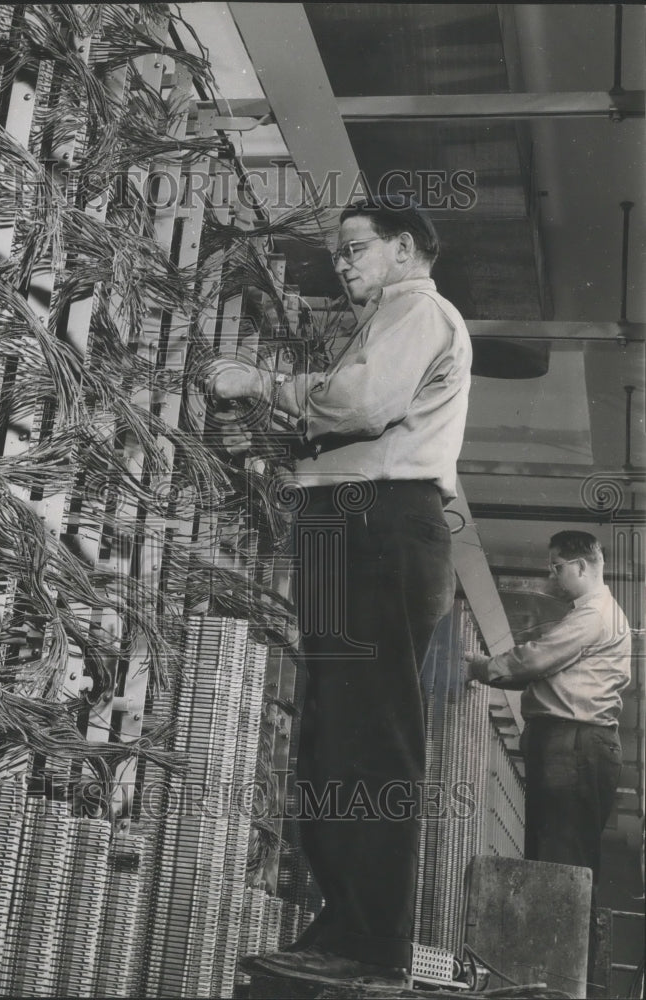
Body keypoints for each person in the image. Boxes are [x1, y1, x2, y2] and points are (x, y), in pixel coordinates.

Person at [204, 198, 472, 986]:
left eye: (356, 248)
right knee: (332, 731)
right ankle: (346, 925)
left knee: (368, 737)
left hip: (378, 525)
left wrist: (264, 384)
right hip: (345, 522)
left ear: (404, 248)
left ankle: (371, 938)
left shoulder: (419, 310)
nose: (345, 263)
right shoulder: (382, 322)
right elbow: (348, 419)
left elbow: (361, 403)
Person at [465, 530, 631, 980]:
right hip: (579, 745)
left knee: (558, 861)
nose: (552, 576)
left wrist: (480, 667)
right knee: (563, 860)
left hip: (571, 743)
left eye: (557, 567)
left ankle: (549, 979)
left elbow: (536, 660)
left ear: (582, 566)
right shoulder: (603, 613)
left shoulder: (593, 614)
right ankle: (553, 977)